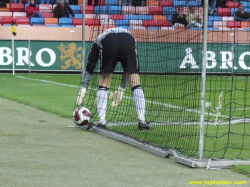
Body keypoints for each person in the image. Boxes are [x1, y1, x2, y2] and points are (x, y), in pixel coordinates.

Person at [76, 28, 153, 130]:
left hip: (109, 41)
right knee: (135, 80)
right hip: (128, 39)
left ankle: (102, 121)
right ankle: (142, 121)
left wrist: (84, 87)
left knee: (104, 81)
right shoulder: (132, 38)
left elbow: (90, 65)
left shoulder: (98, 41)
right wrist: (122, 88)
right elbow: (128, 69)